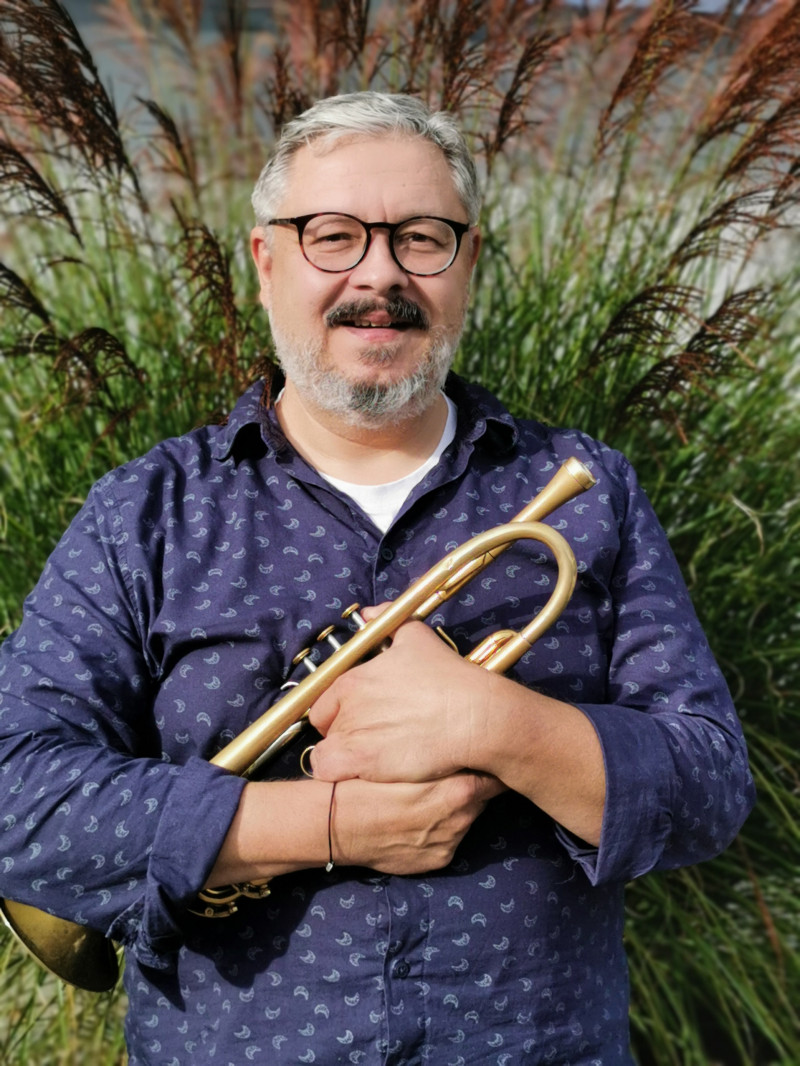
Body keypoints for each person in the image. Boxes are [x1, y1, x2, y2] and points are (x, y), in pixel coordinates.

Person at [0, 91, 754, 1065]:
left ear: (467, 264)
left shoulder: (585, 491)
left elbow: (707, 784)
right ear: (266, 262)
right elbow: (15, 787)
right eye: (333, 236)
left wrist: (496, 725)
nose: (379, 273)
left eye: (420, 238)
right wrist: (323, 820)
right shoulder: (144, 510)